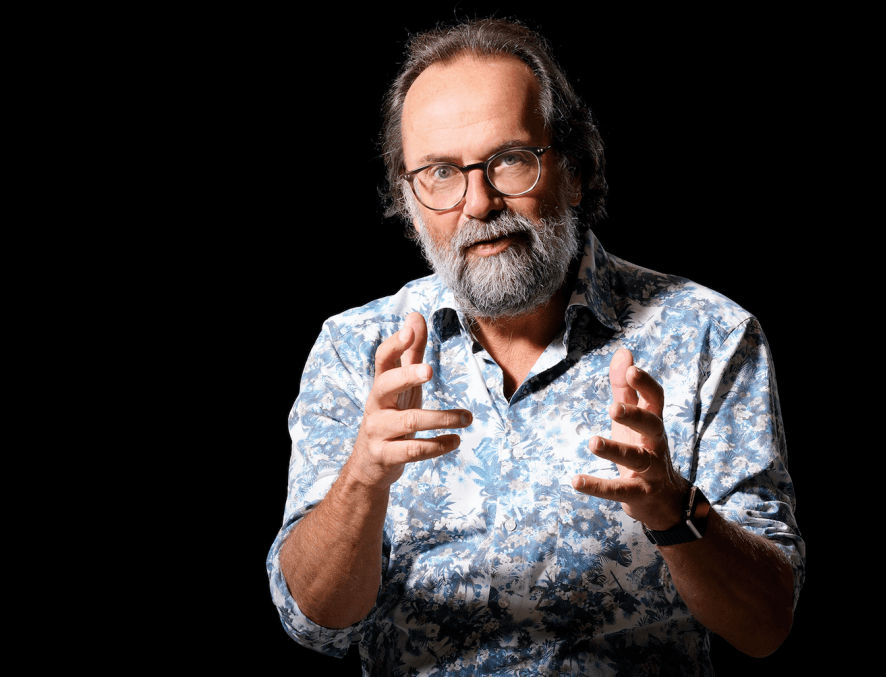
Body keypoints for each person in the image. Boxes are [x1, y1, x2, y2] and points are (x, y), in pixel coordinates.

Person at [268, 17, 804, 675]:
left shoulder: (708, 336)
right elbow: (314, 623)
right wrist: (363, 480)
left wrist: (673, 507)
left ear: (574, 170)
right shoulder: (355, 349)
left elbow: (765, 626)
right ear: (409, 202)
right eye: (440, 172)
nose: (478, 202)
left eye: (510, 160)